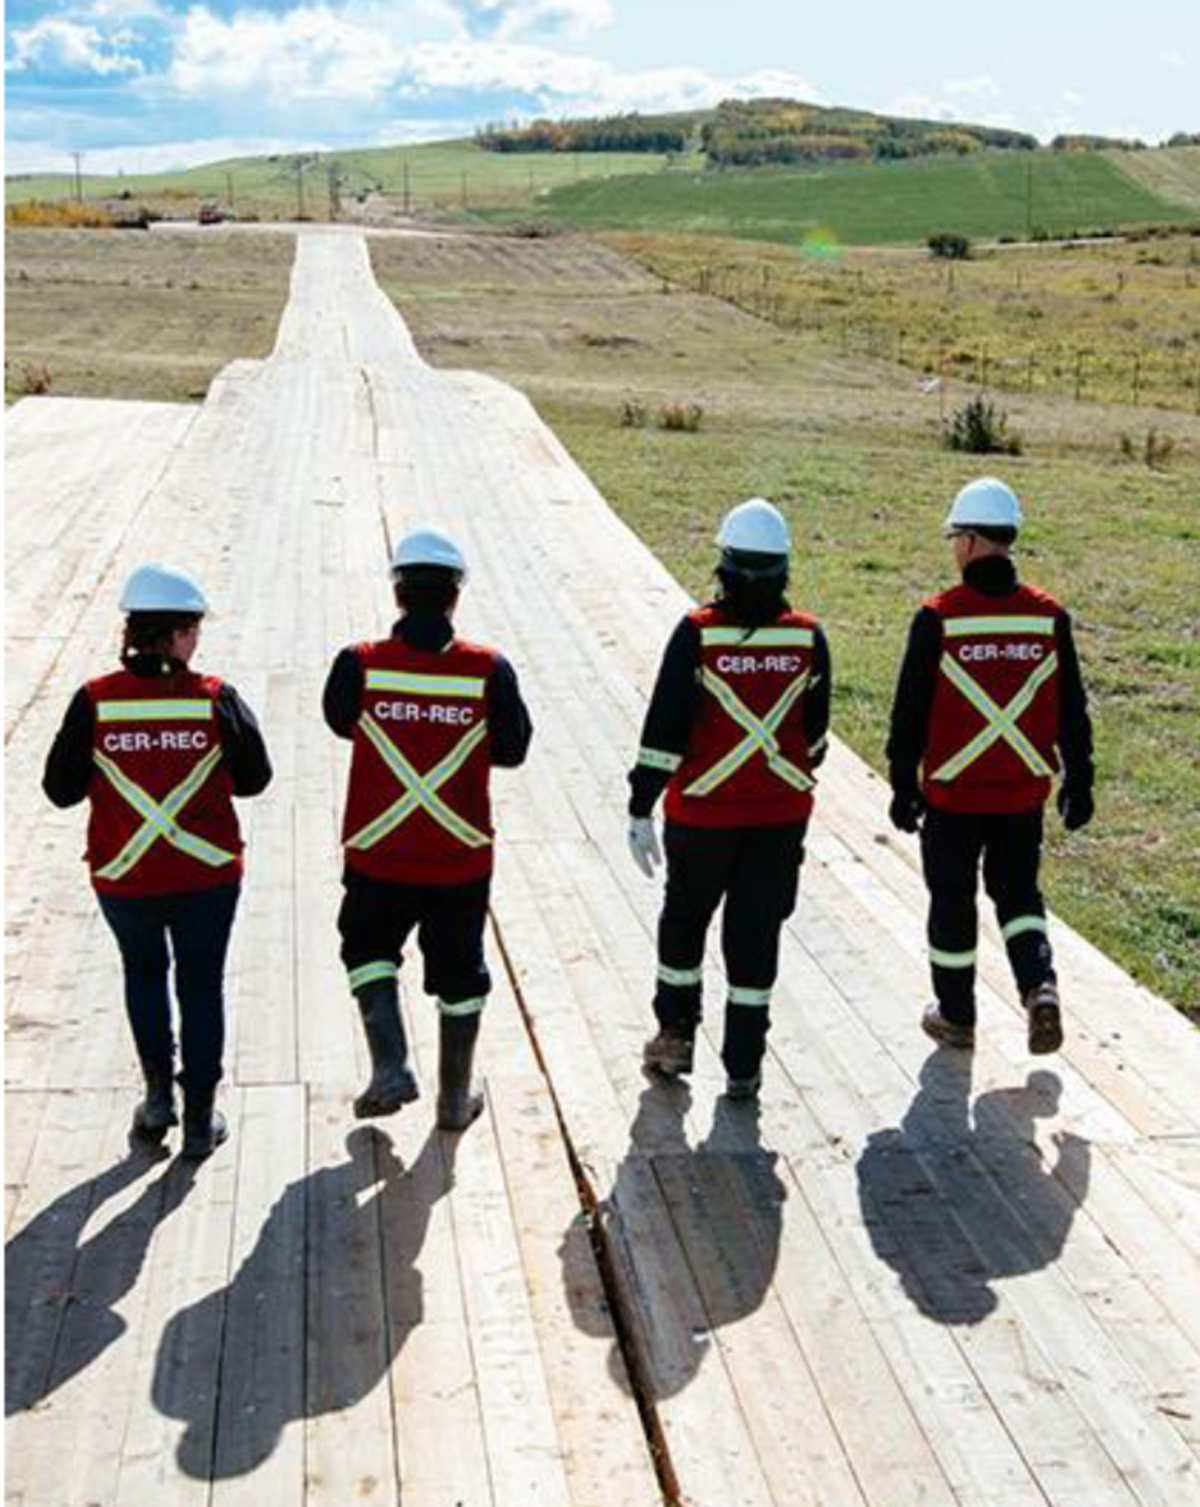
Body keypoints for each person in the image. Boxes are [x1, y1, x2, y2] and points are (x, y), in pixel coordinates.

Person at [43, 563, 272, 1159]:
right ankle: (199, 1118)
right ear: (175, 635)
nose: (196, 641)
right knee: (201, 985)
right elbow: (255, 779)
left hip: (126, 876)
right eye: (193, 631)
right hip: (206, 875)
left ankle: (157, 1099)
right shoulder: (216, 699)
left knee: (143, 975)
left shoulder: (95, 701)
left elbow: (60, 790)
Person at [323, 528, 532, 1131]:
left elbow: (340, 721)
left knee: (368, 951)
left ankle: (391, 1066)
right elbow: (513, 749)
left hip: (377, 851)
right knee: (461, 975)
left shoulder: (359, 664)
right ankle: (454, 1101)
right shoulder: (488, 669)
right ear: (454, 597)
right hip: (457, 857)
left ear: (398, 594)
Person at [626, 497, 831, 1099]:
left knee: (684, 924)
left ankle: (674, 1036)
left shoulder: (697, 633)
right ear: (783, 568)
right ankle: (744, 1064)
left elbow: (664, 730)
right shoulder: (808, 637)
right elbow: (816, 739)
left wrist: (640, 805)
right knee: (755, 935)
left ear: (725, 564)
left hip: (701, 816)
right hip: (780, 818)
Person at [886, 476, 1094, 1054]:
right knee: (1019, 894)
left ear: (973, 540)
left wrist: (902, 784)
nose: (954, 548)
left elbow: (909, 713)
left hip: (953, 796)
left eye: (956, 537)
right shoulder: (1047, 616)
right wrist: (1080, 777)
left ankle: (957, 1016)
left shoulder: (939, 616)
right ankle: (1039, 985)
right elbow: (1072, 707)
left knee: (952, 901)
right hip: (1021, 794)